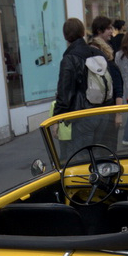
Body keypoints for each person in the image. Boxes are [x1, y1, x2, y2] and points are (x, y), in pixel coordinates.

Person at [53, 18, 108, 157]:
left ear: (65, 36)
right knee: (99, 155)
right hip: (103, 112)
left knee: (81, 158)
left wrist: (57, 118)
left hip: (83, 114)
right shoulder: (97, 53)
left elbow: (64, 91)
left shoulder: (69, 58)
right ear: (83, 32)